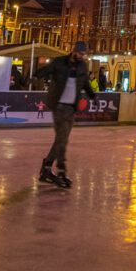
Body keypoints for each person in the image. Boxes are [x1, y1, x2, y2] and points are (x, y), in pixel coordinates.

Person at [35, 41, 96, 188]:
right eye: (81, 53)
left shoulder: (82, 66)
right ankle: (61, 170)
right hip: (59, 106)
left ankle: (47, 168)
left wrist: (93, 96)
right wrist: (35, 76)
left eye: (84, 54)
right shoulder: (60, 62)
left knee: (62, 140)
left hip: (71, 108)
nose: (82, 56)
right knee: (62, 139)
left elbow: (85, 83)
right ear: (74, 51)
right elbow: (46, 70)